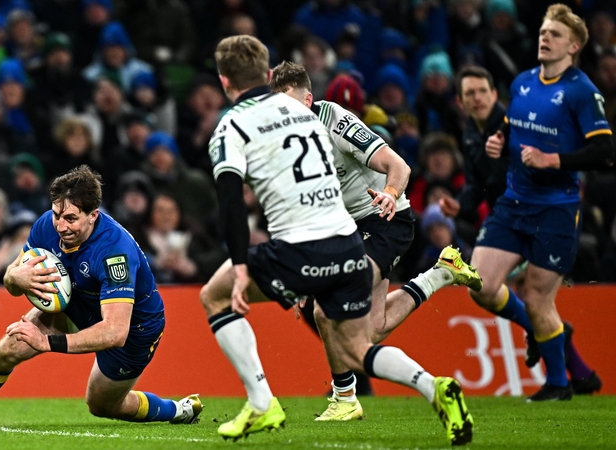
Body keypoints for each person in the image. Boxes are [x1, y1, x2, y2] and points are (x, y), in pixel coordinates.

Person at [199, 35, 473, 445]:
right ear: (267, 74)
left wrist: (243, 267)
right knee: (356, 345)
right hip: (345, 240)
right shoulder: (308, 118)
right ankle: (432, 386)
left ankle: (261, 401)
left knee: (215, 295)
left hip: (342, 232)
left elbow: (233, 206)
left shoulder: (237, 125)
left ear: (224, 81)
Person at [270, 61, 483, 416]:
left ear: (308, 100)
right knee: (372, 327)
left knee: (329, 306)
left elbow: (398, 164)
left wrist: (389, 191)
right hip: (346, 230)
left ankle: (345, 399)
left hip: (385, 218)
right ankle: (440, 274)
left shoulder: (336, 121)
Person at [0, 165, 202, 427]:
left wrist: (47, 343)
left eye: (71, 218)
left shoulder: (115, 252)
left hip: (134, 328)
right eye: (56, 215)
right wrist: (13, 277)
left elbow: (115, 331)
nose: (61, 226)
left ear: (93, 215)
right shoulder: (45, 226)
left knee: (102, 405)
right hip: (77, 301)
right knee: (14, 342)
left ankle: (178, 410)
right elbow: (12, 280)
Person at [470, 5, 614, 401]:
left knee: (537, 297)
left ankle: (558, 384)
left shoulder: (583, 91)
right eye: (542, 32)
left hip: (556, 208)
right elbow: (512, 123)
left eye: (554, 34)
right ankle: (547, 332)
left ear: (574, 45)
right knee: (479, 285)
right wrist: (498, 140)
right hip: (515, 201)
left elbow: (605, 152)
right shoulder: (522, 82)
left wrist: (555, 160)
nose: (544, 38)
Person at [441, 65, 604, 395]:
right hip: (508, 218)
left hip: (541, 215)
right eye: (469, 93)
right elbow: (478, 183)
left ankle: (563, 377)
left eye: (482, 91)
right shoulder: (472, 132)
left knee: (531, 298)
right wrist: (463, 206)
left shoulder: (518, 120)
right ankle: (580, 373)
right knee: (502, 293)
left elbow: (532, 165)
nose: (477, 98)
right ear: (460, 101)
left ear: (494, 94)